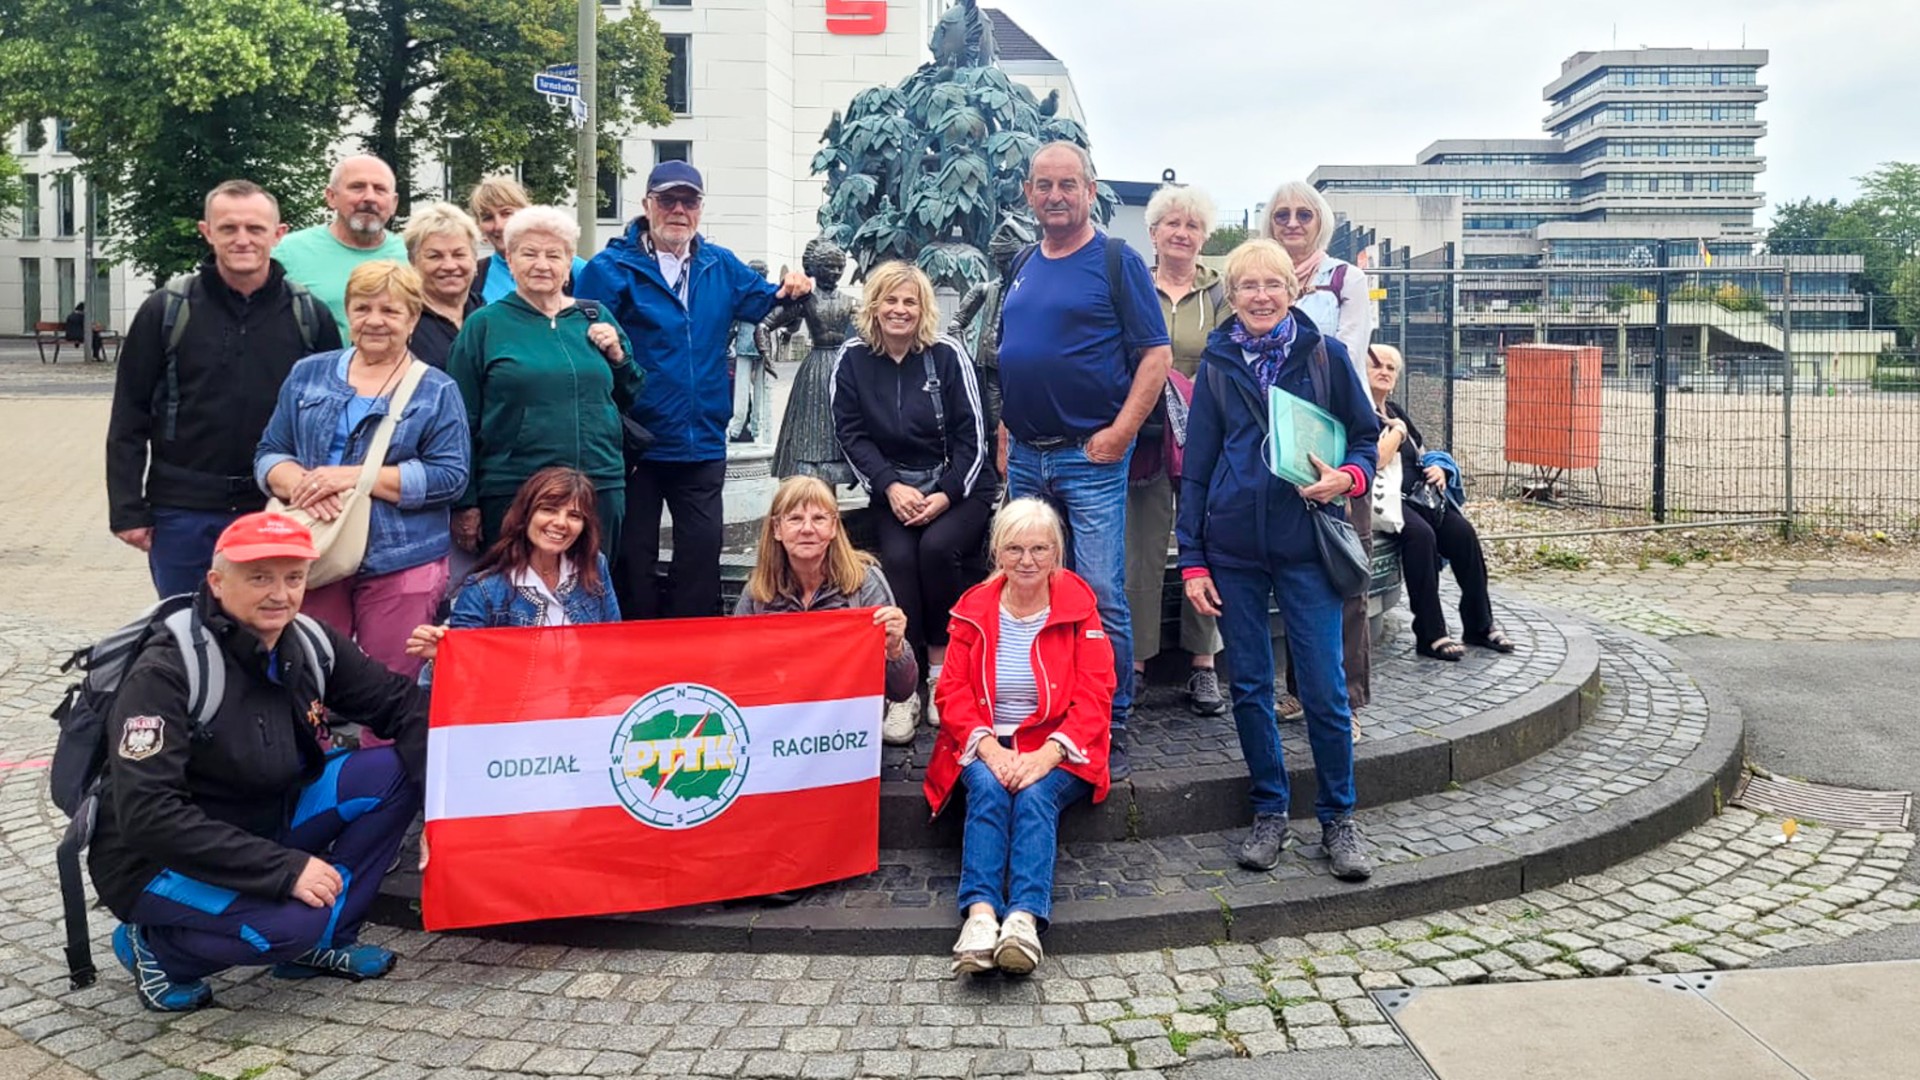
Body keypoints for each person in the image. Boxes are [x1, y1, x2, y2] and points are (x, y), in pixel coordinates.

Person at [89, 512, 431, 1013]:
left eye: (293, 577)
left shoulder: (310, 642)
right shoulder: (167, 668)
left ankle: (327, 942)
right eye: (259, 577)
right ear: (216, 582)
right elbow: (149, 815)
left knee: (394, 772)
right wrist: (285, 870)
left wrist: (441, 811)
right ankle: (155, 949)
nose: (280, 593)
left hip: (262, 819)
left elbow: (407, 707)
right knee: (291, 924)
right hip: (156, 857)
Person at [1176, 239, 1380, 881]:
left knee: (1322, 688)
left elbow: (1367, 437)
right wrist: (1194, 561)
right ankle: (1269, 809)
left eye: (1272, 284)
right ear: (1230, 297)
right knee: (1250, 690)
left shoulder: (1323, 355)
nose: (1260, 296)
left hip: (1305, 546)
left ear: (1292, 292)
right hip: (1234, 549)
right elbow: (1199, 467)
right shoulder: (1216, 364)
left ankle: (1338, 819)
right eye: (1246, 286)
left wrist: (1347, 478)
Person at [994, 141, 1172, 782]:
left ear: (1090, 190)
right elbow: (1014, 351)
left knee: (1100, 594)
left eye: (1068, 185)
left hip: (1088, 458)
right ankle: (1039, 707)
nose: (1055, 196)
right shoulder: (1021, 261)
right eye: (1043, 185)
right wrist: (1006, 427)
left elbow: (1156, 355)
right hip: (1027, 458)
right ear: (1028, 194)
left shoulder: (1116, 260)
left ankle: (1111, 720)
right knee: (1026, 590)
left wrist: (1122, 433)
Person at [575, 161, 813, 620]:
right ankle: (637, 656)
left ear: (700, 209)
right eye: (668, 200)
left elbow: (765, 298)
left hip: (701, 441)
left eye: (690, 201)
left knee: (701, 557)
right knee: (632, 560)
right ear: (647, 206)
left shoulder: (717, 264)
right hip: (633, 442)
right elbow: (582, 344)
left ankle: (693, 657)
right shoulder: (609, 269)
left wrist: (793, 286)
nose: (679, 210)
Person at [107, 179, 344, 598]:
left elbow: (335, 418)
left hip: (275, 505)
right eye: (228, 228)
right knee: (184, 628)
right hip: (183, 507)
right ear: (206, 231)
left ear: (279, 234)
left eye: (255, 229)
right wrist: (127, 509)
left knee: (269, 630)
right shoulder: (166, 309)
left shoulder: (309, 316)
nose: (242, 240)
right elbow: (130, 414)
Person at [255, 261, 470, 683]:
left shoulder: (437, 389)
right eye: (362, 308)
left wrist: (355, 477)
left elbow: (450, 476)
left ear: (412, 319)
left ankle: (383, 752)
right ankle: (310, 750)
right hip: (315, 550)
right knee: (307, 676)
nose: (374, 321)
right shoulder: (308, 374)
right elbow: (269, 452)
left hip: (401, 558)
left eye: (390, 311)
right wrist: (301, 483)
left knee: (390, 684)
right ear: (348, 313)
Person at [924, 498, 1113, 976]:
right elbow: (952, 693)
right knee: (987, 787)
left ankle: (1024, 920)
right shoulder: (973, 610)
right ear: (996, 553)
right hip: (987, 738)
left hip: (1059, 743)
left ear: (1056, 552)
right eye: (1014, 549)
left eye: (1039, 549)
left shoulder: (1079, 607)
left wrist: (1045, 756)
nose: (1026, 561)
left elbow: (1096, 693)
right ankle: (982, 918)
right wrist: (989, 748)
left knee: (1033, 795)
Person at [831, 261, 992, 744]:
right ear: (874, 305)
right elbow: (851, 433)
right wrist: (888, 486)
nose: (900, 310)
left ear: (922, 309)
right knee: (898, 559)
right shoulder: (853, 358)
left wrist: (945, 493)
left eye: (910, 301)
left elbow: (974, 437)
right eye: (891, 300)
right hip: (894, 489)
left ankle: (942, 673)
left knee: (937, 550)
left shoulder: (947, 355)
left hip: (958, 486)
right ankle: (906, 686)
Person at [447, 206, 638, 555]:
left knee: (593, 594)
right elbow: (460, 420)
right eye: (529, 253)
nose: (542, 264)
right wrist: (466, 501)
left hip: (599, 482)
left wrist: (618, 357)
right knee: (516, 594)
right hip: (515, 487)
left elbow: (630, 394)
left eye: (554, 255)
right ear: (510, 258)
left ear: (568, 265)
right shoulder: (485, 325)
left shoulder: (594, 316)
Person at [1264, 179, 1377, 713]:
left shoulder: (1343, 279)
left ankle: (1347, 696)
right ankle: (1299, 690)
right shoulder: (1264, 276)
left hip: (1330, 438)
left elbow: (1350, 355)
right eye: (1282, 214)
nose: (1292, 223)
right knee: (1291, 567)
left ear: (1320, 222)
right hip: (1279, 441)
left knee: (1345, 565)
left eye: (1303, 215)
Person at [1127, 184, 1232, 717]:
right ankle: (1138, 663)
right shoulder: (1134, 287)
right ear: (1154, 233)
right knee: (1140, 549)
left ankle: (1203, 665)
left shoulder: (1219, 294)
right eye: (1172, 224)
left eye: (1192, 226)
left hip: (1202, 438)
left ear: (1203, 236)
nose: (1182, 234)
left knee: (1202, 544)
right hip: (1145, 438)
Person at [1366, 344, 1514, 661]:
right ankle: (1431, 634)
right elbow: (1375, 461)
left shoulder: (1395, 411)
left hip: (1420, 493)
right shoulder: (1360, 414)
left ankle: (1479, 624)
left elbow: (1421, 451)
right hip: (1384, 498)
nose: (1385, 372)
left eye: (1391, 368)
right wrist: (1398, 433)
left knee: (1464, 535)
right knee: (1421, 537)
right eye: (1376, 365)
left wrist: (1439, 468)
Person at [406, 468, 620, 669]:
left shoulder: (594, 565)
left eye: (574, 516)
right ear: (526, 515)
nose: (561, 523)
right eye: (548, 510)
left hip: (586, 701)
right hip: (514, 705)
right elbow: (465, 674)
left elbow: (613, 645)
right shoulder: (483, 589)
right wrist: (442, 656)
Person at [732, 476, 915, 705]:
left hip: (845, 724)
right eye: (795, 519)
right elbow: (736, 672)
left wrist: (896, 649)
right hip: (778, 721)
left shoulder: (866, 583)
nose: (807, 529)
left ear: (834, 527)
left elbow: (902, 691)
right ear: (777, 529)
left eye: (819, 518)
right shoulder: (757, 592)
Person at [273, 156, 409, 332]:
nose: (369, 197)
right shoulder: (288, 252)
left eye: (380, 189)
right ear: (331, 197)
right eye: (357, 187)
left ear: (394, 203)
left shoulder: (411, 255)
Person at [768, 237, 861, 485]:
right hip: (816, 366)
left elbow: (872, 329)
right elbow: (766, 324)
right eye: (829, 266)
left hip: (843, 367)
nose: (835, 272)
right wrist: (766, 356)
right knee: (812, 423)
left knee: (843, 420)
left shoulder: (849, 302)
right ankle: (812, 474)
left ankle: (842, 470)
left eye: (839, 267)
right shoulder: (806, 300)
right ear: (816, 269)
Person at [466, 175, 588, 305]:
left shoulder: (576, 269)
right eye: (487, 217)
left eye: (506, 213)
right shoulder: (474, 277)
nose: (499, 225)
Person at [403, 202, 483, 369]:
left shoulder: (486, 315)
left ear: (475, 259)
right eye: (435, 256)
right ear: (413, 262)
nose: (449, 265)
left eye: (459, 254)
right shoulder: (400, 318)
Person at [727, 259, 772, 444]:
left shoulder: (765, 296)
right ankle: (738, 428)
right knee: (744, 391)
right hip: (747, 347)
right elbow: (731, 324)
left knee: (760, 392)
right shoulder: (743, 296)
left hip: (759, 349)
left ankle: (756, 429)